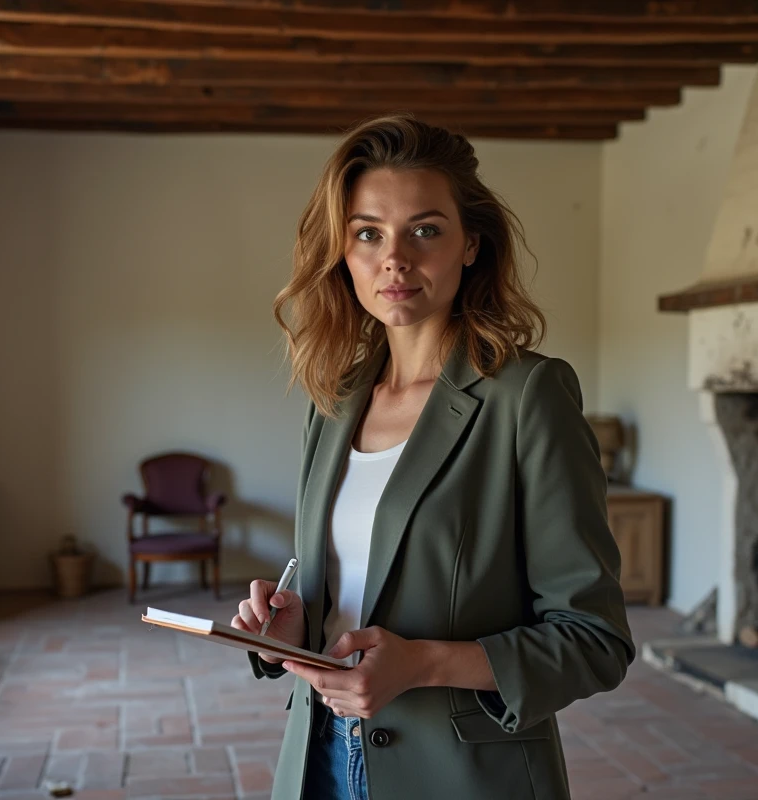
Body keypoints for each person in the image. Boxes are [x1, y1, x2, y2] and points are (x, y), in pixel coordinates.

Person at [231, 113, 634, 800]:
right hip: (319, 758)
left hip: (464, 776)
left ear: (470, 244)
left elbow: (594, 641)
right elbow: (352, 589)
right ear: (343, 251)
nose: (395, 258)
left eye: (425, 229)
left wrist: (421, 665)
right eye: (368, 233)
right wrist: (293, 628)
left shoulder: (528, 395)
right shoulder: (333, 402)